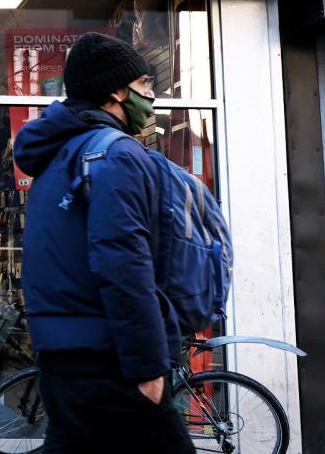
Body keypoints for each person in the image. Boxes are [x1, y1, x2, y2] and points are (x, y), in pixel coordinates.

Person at [12, 32, 194, 453]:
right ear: (115, 91)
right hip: (110, 359)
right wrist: (147, 365)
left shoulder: (56, 158)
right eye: (145, 84)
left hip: (61, 356)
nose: (152, 96)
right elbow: (123, 262)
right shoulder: (116, 154)